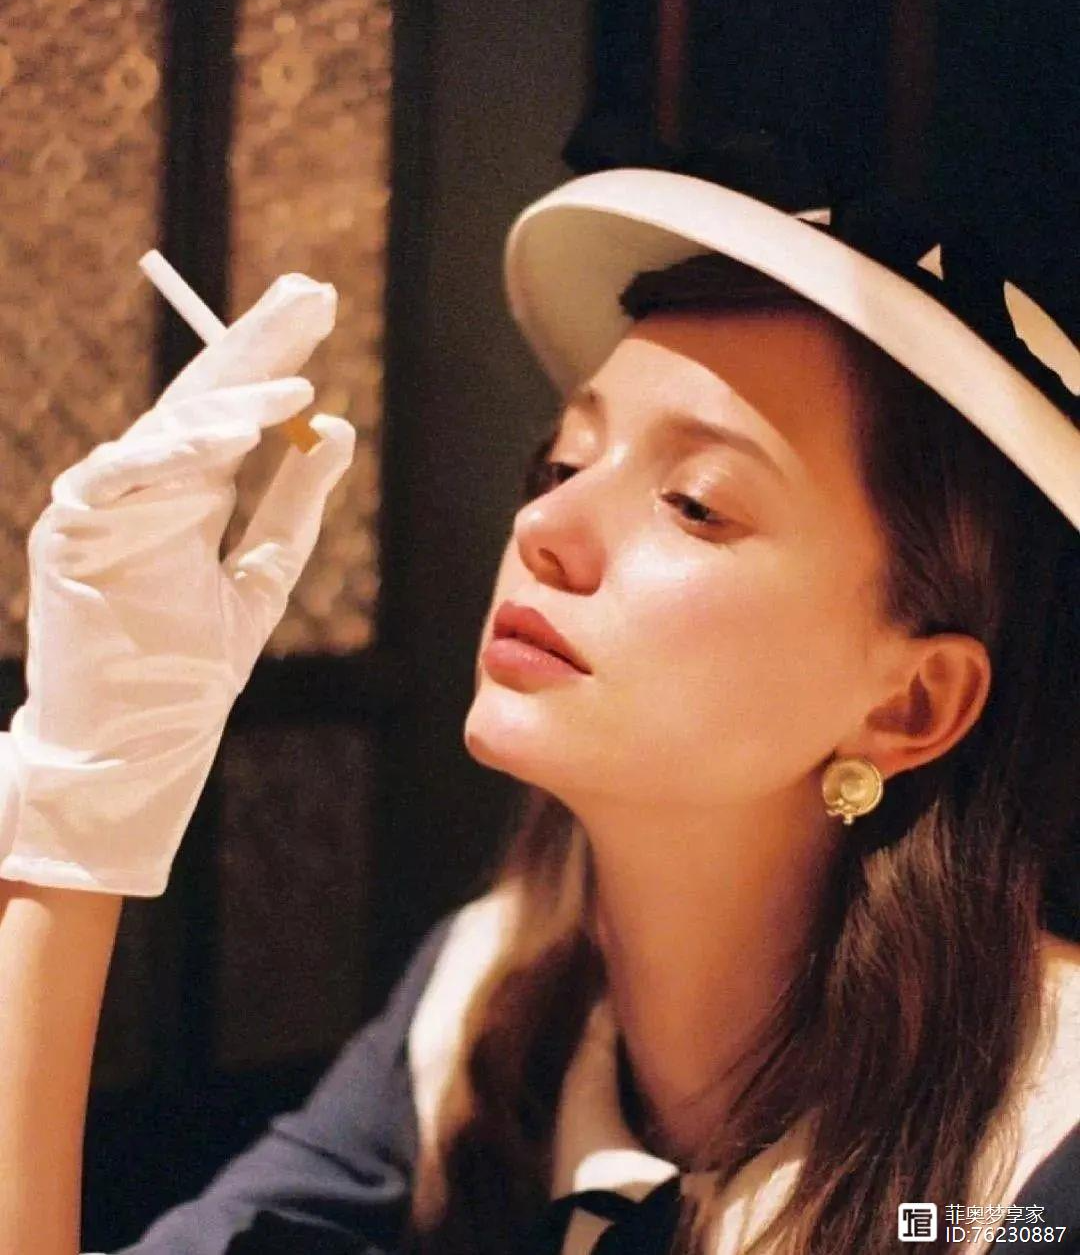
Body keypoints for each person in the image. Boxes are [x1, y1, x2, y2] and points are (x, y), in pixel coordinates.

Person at [0, 170, 1077, 1255]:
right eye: (562, 460)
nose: (543, 523)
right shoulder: (481, 1008)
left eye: (696, 501)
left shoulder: (1033, 1167)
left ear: (913, 703)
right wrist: (79, 825)